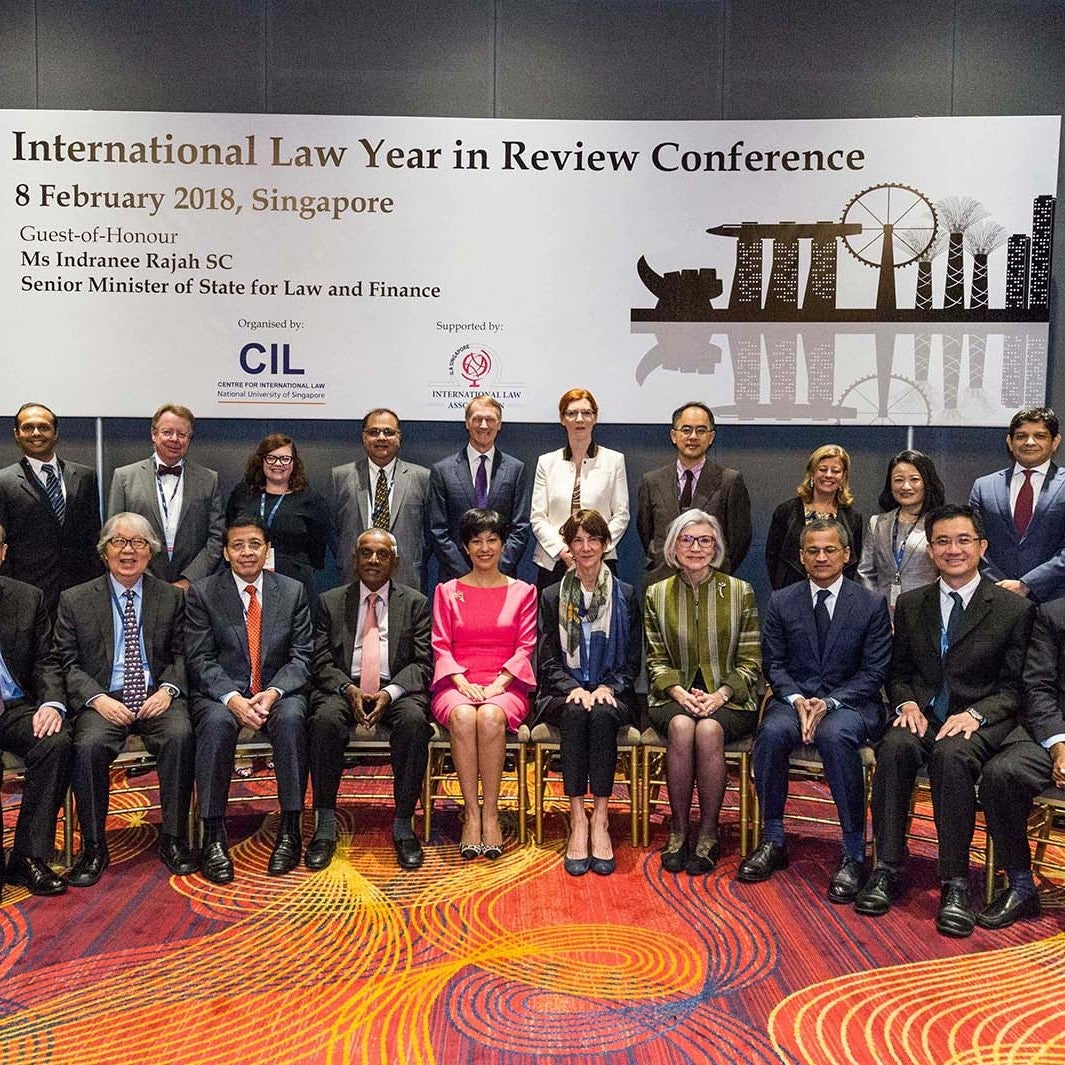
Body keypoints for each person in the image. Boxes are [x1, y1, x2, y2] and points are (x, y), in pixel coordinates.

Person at [853, 504, 1035, 937]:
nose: (954, 550)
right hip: (924, 713)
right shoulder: (911, 604)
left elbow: (1015, 688)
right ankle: (887, 868)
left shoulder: (1012, 609)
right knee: (894, 747)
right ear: (931, 551)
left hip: (979, 719)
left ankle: (955, 883)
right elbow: (898, 674)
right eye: (943, 542)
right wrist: (905, 704)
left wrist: (976, 714)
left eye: (963, 540)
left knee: (951, 757)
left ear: (982, 547)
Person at [739, 519, 891, 902]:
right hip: (795, 700)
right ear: (802, 557)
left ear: (847, 554)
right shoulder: (782, 600)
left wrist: (830, 702)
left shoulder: (870, 604)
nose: (821, 557)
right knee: (771, 733)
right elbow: (774, 663)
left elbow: (874, 672)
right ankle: (774, 840)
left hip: (850, 702)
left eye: (829, 550)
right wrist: (796, 699)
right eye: (813, 551)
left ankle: (853, 852)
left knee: (834, 735)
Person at [53, 512, 196, 887]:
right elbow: (66, 662)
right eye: (119, 542)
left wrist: (167, 690)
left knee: (180, 736)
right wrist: (97, 698)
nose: (128, 551)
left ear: (151, 552)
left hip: (156, 695)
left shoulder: (171, 597)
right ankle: (94, 847)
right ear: (105, 552)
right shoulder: (75, 600)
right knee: (87, 746)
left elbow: (184, 655)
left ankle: (174, 839)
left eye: (138, 543)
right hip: (104, 698)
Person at [185, 515, 313, 883]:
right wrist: (232, 699)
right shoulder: (203, 593)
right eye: (237, 545)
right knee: (215, 724)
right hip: (221, 693)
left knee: (292, 719)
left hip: (276, 690)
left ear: (267, 549)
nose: (246, 552)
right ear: (225, 552)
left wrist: (271, 693)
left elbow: (302, 657)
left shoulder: (292, 591)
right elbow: (200, 659)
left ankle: (290, 829)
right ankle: (213, 835)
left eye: (254, 544)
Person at [644, 510, 761, 874]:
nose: (695, 548)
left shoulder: (740, 592)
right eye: (687, 540)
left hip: (731, 699)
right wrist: (679, 694)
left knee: (709, 730)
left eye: (704, 540)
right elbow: (655, 658)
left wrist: (720, 695)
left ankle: (708, 833)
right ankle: (679, 831)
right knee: (682, 726)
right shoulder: (656, 594)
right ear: (673, 547)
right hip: (671, 697)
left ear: (716, 547)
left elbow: (751, 659)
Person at [308, 528, 432, 871]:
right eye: (366, 553)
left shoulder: (416, 603)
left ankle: (403, 823)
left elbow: (423, 663)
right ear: (354, 560)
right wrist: (347, 689)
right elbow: (320, 661)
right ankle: (325, 823)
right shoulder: (331, 601)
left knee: (414, 722)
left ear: (395, 562)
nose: (373, 560)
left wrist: (389, 694)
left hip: (395, 688)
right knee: (323, 721)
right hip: (343, 687)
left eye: (382, 554)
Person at [535, 509, 641, 877]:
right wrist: (574, 688)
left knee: (602, 714)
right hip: (562, 691)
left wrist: (609, 687)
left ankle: (601, 818)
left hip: (614, 690)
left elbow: (632, 661)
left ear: (605, 544)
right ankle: (578, 817)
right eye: (577, 540)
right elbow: (547, 660)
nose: (585, 548)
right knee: (578, 712)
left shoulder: (626, 595)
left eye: (592, 539)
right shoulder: (552, 596)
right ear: (568, 546)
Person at [430, 509, 536, 859]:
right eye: (476, 541)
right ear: (465, 547)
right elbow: (441, 646)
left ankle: (490, 813)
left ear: (504, 544)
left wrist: (497, 685)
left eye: (492, 540)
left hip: (506, 684)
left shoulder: (523, 592)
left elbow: (525, 647)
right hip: (456, 682)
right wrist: (462, 683)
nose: (485, 548)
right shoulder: (447, 592)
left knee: (490, 716)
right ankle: (471, 814)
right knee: (463, 716)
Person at [974, 596, 1065, 928]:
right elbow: (1038, 687)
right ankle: (1022, 886)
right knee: (1001, 773)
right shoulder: (1053, 614)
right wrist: (1059, 746)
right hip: (1053, 730)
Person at [0, 523, 71, 897]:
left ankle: (28, 856)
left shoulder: (27, 597)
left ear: (3, 553)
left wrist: (51, 703)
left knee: (55, 742)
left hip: (13, 706)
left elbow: (47, 659)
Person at [107, 403, 224, 590]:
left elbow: (216, 538)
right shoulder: (124, 477)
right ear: (154, 434)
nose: (174, 439)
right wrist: (147, 579)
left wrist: (189, 581)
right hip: (140, 584)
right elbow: (114, 537)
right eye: (167, 432)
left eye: (182, 434)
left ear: (189, 439)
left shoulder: (209, 479)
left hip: (193, 589)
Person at [0, 402, 102, 614]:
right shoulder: (3, 481)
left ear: (56, 433)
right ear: (16, 434)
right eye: (28, 427)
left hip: (80, 591)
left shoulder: (86, 477)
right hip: (28, 595)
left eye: (44, 427)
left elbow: (94, 536)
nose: (36, 433)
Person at [636, 401, 751, 587]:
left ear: (711, 437)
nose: (693, 436)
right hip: (662, 582)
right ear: (674, 435)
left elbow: (738, 540)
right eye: (686, 429)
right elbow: (646, 532)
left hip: (711, 582)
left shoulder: (729, 481)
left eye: (701, 430)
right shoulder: (652, 481)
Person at [530, 389, 629, 591]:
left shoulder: (614, 461)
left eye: (586, 413)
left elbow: (621, 515)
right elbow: (538, 517)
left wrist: (594, 548)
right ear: (562, 419)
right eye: (572, 413)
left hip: (599, 560)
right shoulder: (546, 462)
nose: (579, 419)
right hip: (555, 561)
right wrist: (563, 550)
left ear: (595, 418)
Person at [428, 395, 530, 582]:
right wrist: (466, 575)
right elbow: (438, 529)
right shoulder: (442, 471)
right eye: (477, 419)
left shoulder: (516, 469)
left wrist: (496, 571)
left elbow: (520, 527)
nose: (483, 425)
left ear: (499, 424)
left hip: (502, 578)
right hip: (456, 579)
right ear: (467, 423)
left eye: (490, 419)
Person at [969, 406, 1065, 603]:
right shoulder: (984, 486)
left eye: (1039, 436)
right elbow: (972, 541)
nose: (1029, 442)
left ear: (1055, 441)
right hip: (995, 598)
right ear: (1009, 441)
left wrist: (1027, 584)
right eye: (1021, 436)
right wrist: (1002, 586)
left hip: (1054, 601)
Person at [331, 408, 430, 593]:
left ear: (399, 437)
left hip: (406, 575)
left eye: (388, 432)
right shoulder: (341, 476)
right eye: (374, 432)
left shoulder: (422, 477)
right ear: (364, 438)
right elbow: (333, 531)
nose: (381, 438)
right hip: (354, 575)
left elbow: (428, 533)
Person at [225, 433, 329, 607]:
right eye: (271, 458)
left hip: (294, 582)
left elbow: (317, 549)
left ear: (294, 463)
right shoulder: (242, 494)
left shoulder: (310, 499)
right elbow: (229, 534)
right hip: (246, 578)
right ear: (261, 461)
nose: (278, 464)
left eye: (285, 459)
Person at [765, 444, 863, 590]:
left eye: (835, 471)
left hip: (836, 596)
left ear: (843, 476)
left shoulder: (853, 518)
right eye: (822, 469)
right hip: (792, 592)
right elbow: (772, 558)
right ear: (811, 473)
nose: (828, 475)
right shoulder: (786, 512)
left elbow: (852, 563)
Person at [857, 450, 944, 609]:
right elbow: (866, 572)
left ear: (927, 482)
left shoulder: (940, 523)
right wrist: (877, 611)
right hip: (882, 613)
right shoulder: (877, 523)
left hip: (925, 610)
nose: (905, 486)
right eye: (898, 480)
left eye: (914, 479)